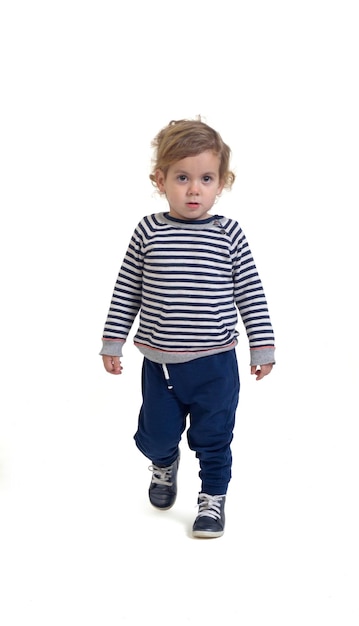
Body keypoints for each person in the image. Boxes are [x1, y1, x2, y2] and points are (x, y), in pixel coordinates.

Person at [100, 118, 275, 538]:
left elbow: (251, 293)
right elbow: (127, 290)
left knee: (213, 438)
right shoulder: (149, 231)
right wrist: (113, 341)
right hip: (160, 367)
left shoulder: (228, 234)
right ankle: (163, 464)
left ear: (222, 182)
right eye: (182, 177)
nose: (193, 189)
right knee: (158, 435)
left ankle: (212, 500)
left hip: (215, 365)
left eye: (205, 178)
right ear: (160, 180)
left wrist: (262, 347)